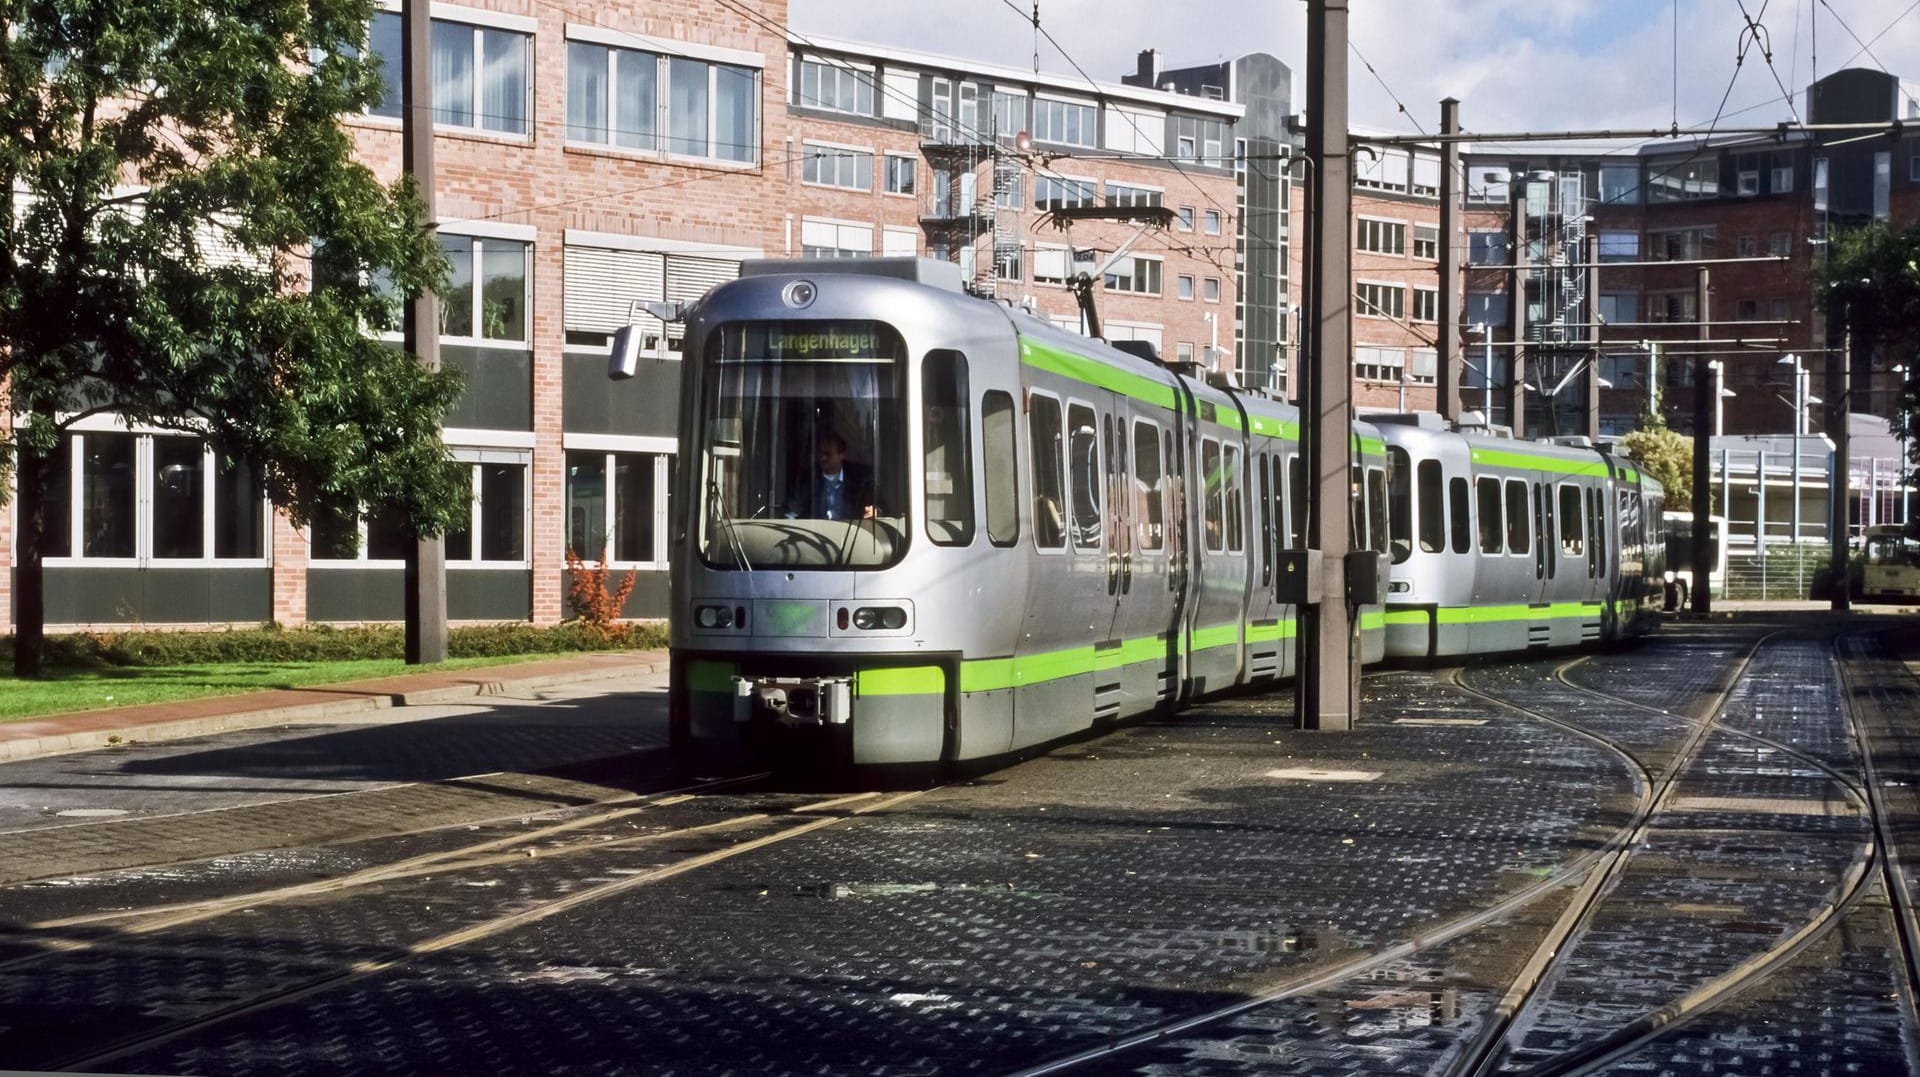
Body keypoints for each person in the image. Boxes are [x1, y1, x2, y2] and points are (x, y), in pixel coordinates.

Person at [787, 432, 875, 521]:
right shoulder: (807, 479)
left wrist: (874, 511)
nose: (823, 458)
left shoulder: (860, 480)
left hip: (849, 533)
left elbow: (878, 506)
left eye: (828, 454)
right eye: (820, 453)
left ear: (841, 455)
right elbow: (793, 509)